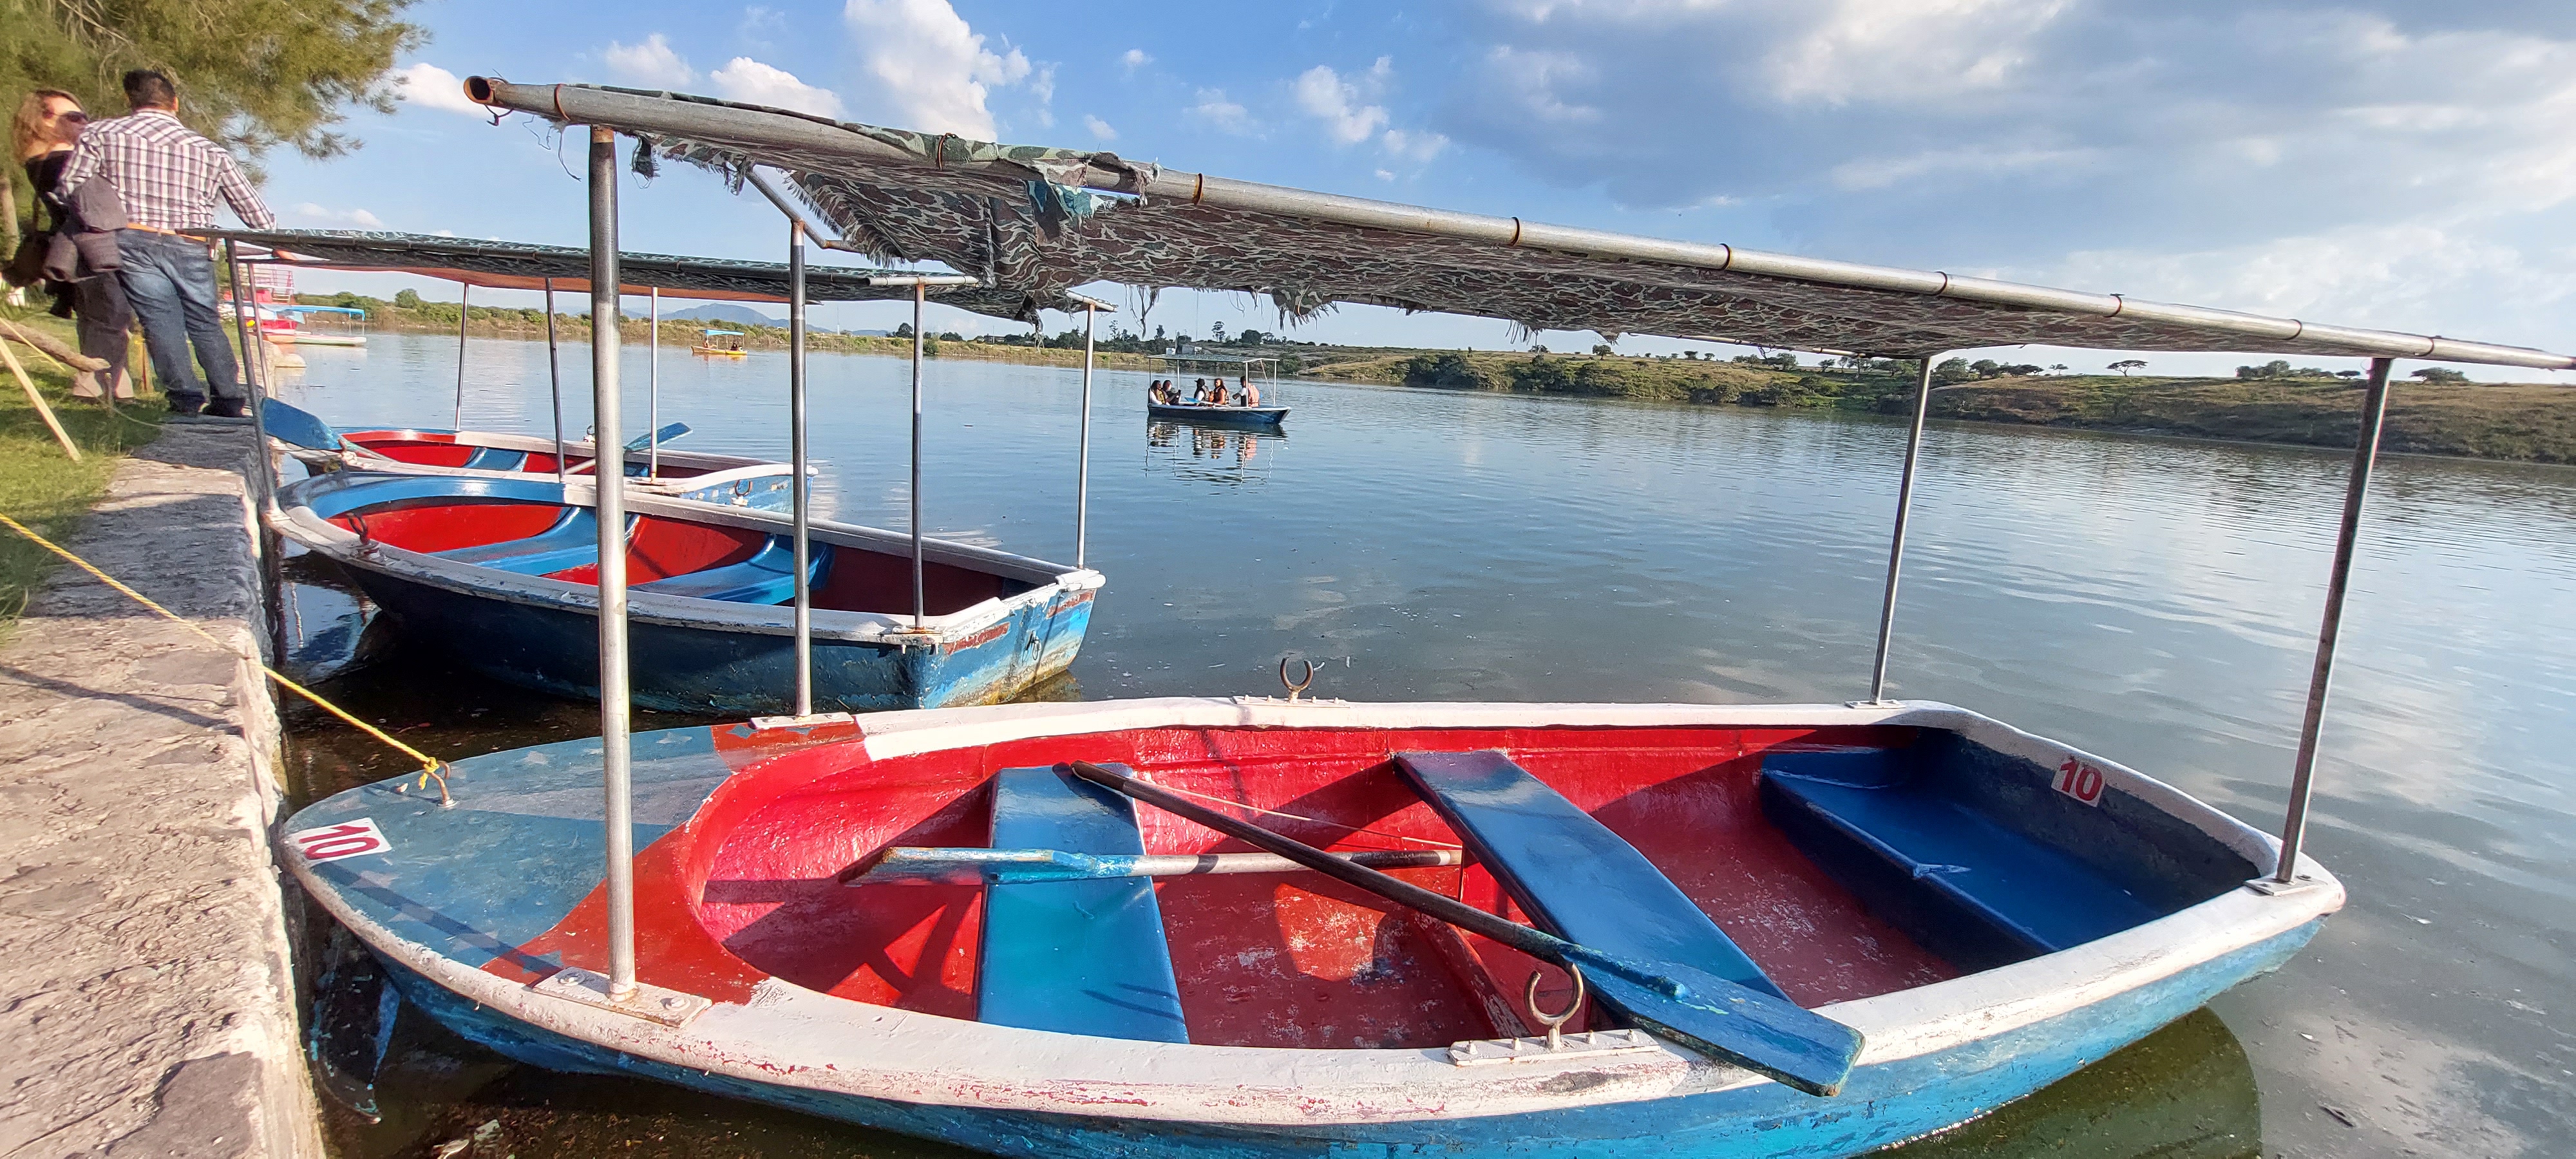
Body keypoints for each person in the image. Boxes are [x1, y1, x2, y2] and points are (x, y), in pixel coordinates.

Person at [57, 69, 275, 417]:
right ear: (175, 103)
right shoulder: (210, 150)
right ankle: (229, 398)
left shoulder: (101, 134)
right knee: (204, 319)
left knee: (161, 320)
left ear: (131, 102)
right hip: (191, 241)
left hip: (132, 235)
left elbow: (69, 187)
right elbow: (258, 215)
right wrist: (276, 242)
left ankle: (185, 398)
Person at [12, 89, 134, 401]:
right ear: (43, 120)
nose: (85, 124)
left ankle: (101, 385)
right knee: (110, 317)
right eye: (75, 118)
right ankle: (106, 387)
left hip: (73, 249)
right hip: (93, 246)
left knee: (96, 318)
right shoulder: (60, 161)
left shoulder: (40, 161)